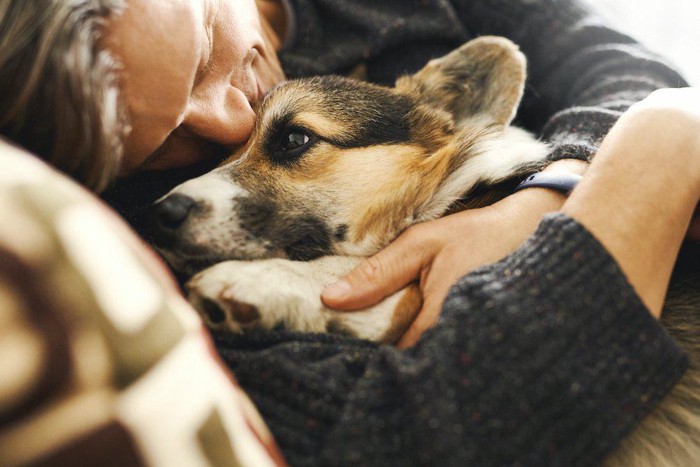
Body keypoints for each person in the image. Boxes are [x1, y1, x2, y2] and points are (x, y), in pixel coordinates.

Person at [0, 0, 697, 465]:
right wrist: (660, 147)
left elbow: (624, 71)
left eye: (209, 43)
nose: (228, 120)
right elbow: (408, 431)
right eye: (161, 141)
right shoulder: (138, 228)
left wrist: (547, 194)